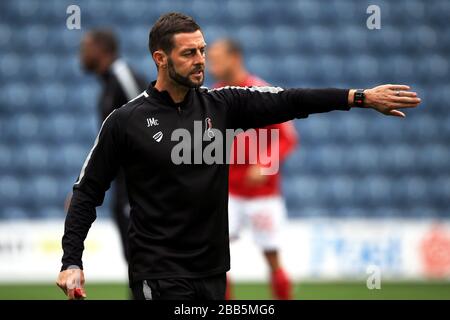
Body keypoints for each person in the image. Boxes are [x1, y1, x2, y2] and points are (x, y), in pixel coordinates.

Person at [56, 12, 421, 300]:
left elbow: (290, 100)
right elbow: (87, 191)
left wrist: (359, 97)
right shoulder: (125, 120)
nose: (201, 60)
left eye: (202, 50)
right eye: (189, 53)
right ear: (160, 59)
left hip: (213, 274)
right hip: (160, 274)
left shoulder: (223, 104)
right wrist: (72, 260)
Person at [208, 39, 297, 300]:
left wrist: (266, 164)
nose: (211, 64)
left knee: (272, 258)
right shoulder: (213, 96)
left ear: (235, 58)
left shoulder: (261, 91)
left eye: (216, 58)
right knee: (214, 257)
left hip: (262, 194)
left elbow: (288, 137)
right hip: (228, 193)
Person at [75, 29, 147, 262]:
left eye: (85, 48)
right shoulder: (107, 83)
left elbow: (149, 119)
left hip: (140, 187)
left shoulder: (122, 76)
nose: (81, 54)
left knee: (144, 259)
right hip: (124, 186)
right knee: (135, 260)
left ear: (101, 49)